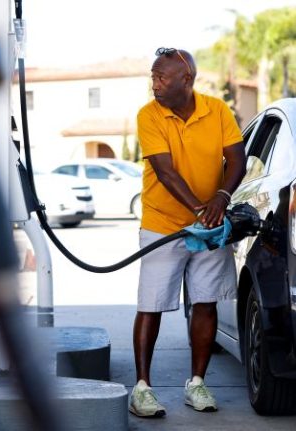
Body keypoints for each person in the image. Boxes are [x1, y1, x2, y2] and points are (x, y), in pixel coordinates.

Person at [129, 47, 246, 418]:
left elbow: (238, 159)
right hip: (163, 223)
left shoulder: (217, 110)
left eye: (161, 78)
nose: (154, 85)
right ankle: (142, 388)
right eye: (153, 77)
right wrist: (201, 210)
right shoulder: (149, 115)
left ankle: (197, 383)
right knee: (152, 303)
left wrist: (221, 199)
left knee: (206, 301)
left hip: (210, 224)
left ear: (187, 79)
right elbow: (165, 171)